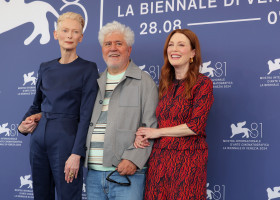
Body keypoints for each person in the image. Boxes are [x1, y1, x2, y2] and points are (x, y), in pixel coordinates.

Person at [18, 12, 99, 200]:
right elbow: (36, 105)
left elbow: (86, 115)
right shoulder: (45, 67)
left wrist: (76, 153)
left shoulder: (88, 68)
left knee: (68, 196)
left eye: (75, 31)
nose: (69, 35)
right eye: (65, 30)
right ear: (56, 34)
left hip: (67, 141)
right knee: (41, 195)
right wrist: (21, 126)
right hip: (38, 141)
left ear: (81, 37)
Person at [134, 29, 214, 199]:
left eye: (181, 44)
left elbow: (195, 126)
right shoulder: (165, 84)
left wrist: (157, 132)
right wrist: (142, 134)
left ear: (193, 52)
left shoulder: (203, 84)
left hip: (189, 159)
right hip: (159, 159)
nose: (174, 49)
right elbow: (153, 119)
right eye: (171, 45)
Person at [84, 21, 158, 200]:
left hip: (127, 173)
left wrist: (134, 159)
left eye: (119, 43)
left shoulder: (144, 82)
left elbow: (151, 126)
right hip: (93, 175)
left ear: (129, 49)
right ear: (102, 49)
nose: (113, 48)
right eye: (108, 44)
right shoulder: (94, 82)